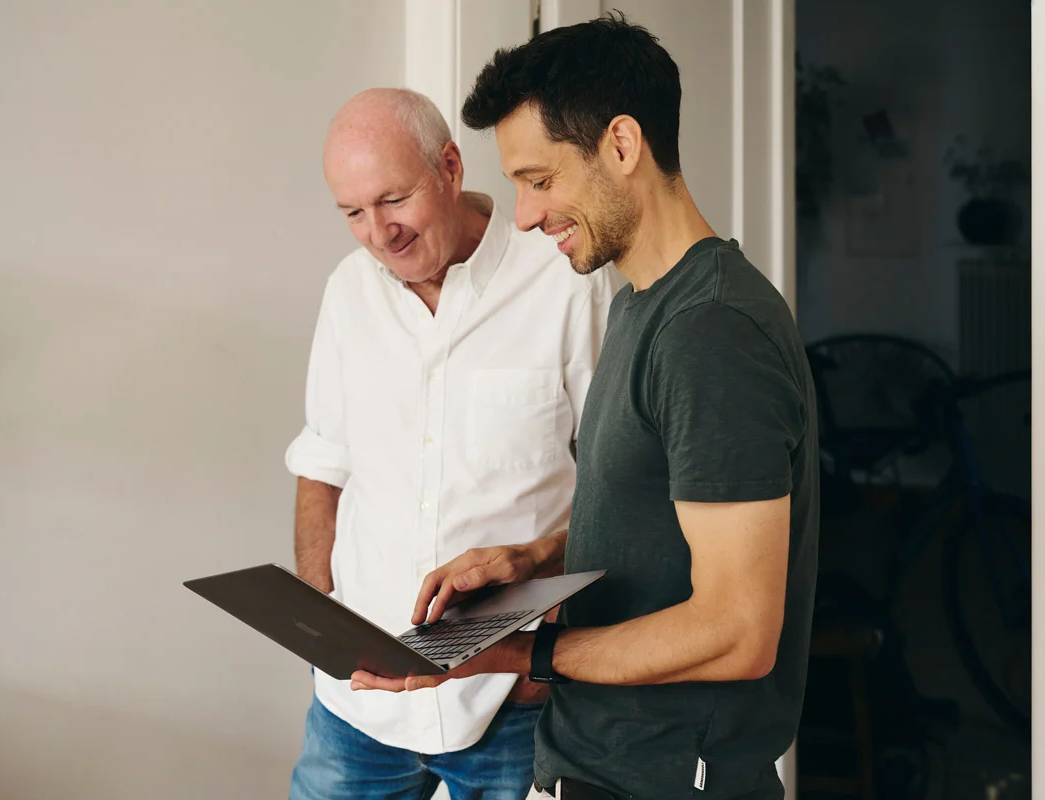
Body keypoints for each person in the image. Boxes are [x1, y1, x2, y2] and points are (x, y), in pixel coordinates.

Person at [350, 16, 820, 800]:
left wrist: (519, 655)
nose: (526, 215)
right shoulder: (643, 302)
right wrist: (529, 562)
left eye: (541, 179)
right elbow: (658, 521)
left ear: (623, 145)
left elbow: (740, 632)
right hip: (597, 768)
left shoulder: (712, 333)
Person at [283, 87, 617, 800]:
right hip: (356, 709)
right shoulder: (348, 292)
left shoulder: (564, 281)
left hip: (505, 699)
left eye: (394, 199)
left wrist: (540, 660)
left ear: (451, 166)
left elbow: (618, 485)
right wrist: (317, 628)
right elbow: (323, 462)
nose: (379, 233)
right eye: (352, 213)